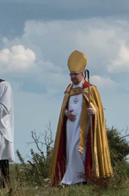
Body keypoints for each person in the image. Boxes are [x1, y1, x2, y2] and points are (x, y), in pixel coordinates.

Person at [48, 51, 113, 186]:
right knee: (69, 150)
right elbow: (63, 108)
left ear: (82, 74)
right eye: (70, 74)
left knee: (78, 150)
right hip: (70, 126)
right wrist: (65, 113)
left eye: (74, 74)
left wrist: (94, 111)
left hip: (84, 127)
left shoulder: (91, 89)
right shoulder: (69, 89)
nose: (72, 77)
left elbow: (99, 109)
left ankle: (81, 178)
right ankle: (71, 179)